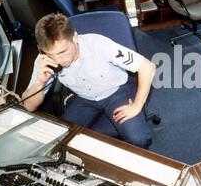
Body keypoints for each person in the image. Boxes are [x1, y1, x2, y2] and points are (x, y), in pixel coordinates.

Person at [22, 13, 156, 149]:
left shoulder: (98, 45)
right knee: (61, 138)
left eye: (62, 52)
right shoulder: (45, 60)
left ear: (74, 37)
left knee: (139, 139)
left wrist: (137, 105)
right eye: (51, 54)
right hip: (85, 98)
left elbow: (147, 67)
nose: (58, 60)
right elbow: (28, 106)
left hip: (116, 91)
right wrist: (40, 82)